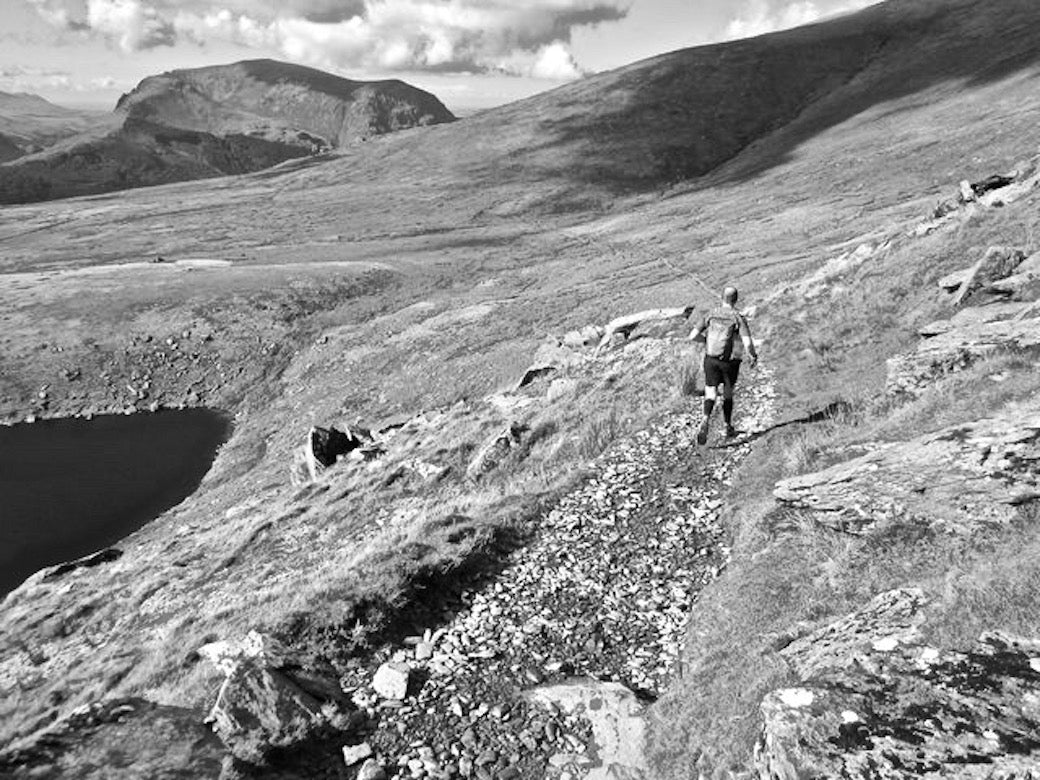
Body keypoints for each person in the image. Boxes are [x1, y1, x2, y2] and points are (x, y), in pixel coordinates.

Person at [688, 286, 758, 444]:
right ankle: (727, 427)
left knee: (710, 392)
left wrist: (705, 341)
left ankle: (705, 418)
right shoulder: (737, 317)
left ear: (722, 298)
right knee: (727, 393)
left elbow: (692, 336)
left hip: (710, 359)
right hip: (730, 362)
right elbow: (747, 343)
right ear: (736, 299)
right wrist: (753, 355)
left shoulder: (711, 314)